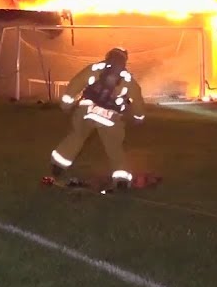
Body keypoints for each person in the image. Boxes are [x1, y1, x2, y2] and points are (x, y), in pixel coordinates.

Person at [48, 47, 146, 191]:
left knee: (76, 136)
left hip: (86, 112)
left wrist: (66, 104)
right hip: (110, 118)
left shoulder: (94, 69)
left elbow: (76, 83)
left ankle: (58, 165)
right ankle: (122, 179)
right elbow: (137, 100)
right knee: (115, 148)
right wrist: (139, 117)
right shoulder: (128, 79)